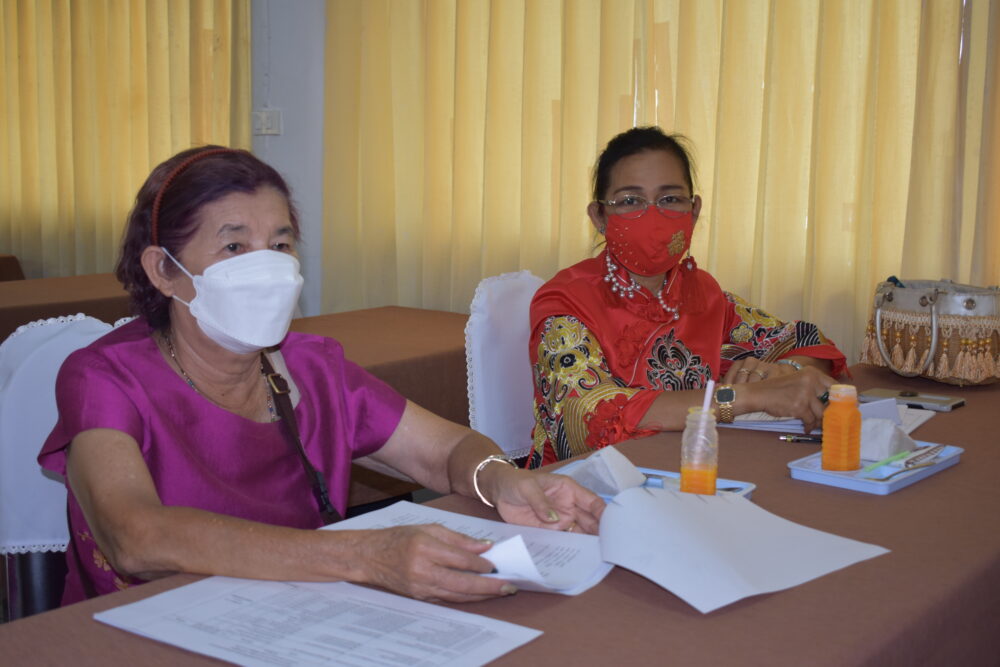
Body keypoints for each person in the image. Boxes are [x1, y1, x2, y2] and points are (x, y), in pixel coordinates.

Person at [39, 146, 603, 605]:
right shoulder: (103, 377)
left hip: (294, 613)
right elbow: (135, 537)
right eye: (235, 245)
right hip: (141, 628)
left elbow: (448, 450)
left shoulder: (312, 368)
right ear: (164, 269)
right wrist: (362, 557)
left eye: (280, 244)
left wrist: (501, 481)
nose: (266, 265)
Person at [527, 127, 847, 468]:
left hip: (690, 469)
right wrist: (744, 397)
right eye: (630, 201)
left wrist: (786, 371)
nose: (652, 216)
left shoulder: (700, 293)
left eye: (670, 199)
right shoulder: (565, 301)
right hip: (586, 483)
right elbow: (590, 417)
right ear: (599, 217)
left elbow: (807, 342)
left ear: (693, 211)